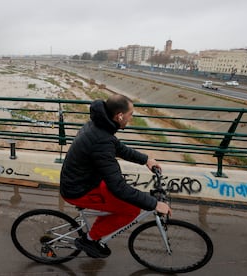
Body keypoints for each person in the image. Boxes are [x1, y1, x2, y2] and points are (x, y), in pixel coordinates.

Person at [60, 93, 172, 258]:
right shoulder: (101, 141)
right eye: (130, 115)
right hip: (78, 190)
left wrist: (146, 160)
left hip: (85, 180)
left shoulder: (99, 126)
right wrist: (154, 203)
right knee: (131, 209)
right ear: (119, 116)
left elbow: (118, 147)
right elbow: (118, 187)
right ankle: (90, 240)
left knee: (125, 200)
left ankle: (95, 234)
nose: (131, 119)